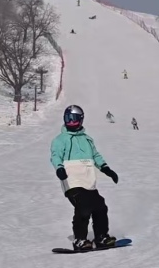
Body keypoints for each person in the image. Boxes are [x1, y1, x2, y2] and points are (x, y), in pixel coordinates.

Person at [50, 105, 119, 251]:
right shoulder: (61, 139)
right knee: (83, 206)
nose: (71, 123)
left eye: (74, 120)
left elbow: (95, 156)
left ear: (81, 120)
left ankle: (101, 237)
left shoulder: (87, 140)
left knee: (100, 206)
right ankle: (80, 239)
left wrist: (106, 168)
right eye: (68, 120)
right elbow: (56, 156)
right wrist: (60, 168)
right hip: (72, 180)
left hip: (88, 180)